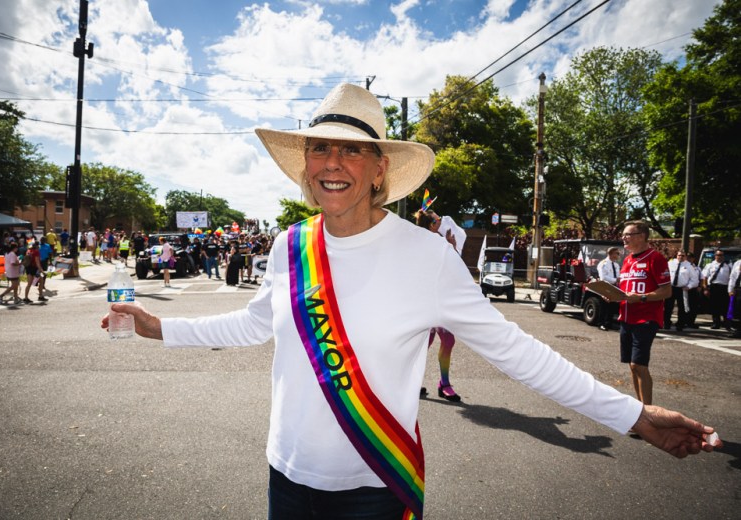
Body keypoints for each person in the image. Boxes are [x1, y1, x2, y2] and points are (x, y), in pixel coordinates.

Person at [102, 84, 720, 519]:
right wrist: (159, 327)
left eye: (352, 149)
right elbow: (257, 323)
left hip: (376, 487)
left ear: (380, 170)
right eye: (320, 147)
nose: (333, 162)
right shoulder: (287, 245)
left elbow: (519, 352)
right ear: (305, 168)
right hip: (285, 478)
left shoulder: (428, 257)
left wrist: (631, 415)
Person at [617, 221, 671, 406]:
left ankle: (648, 412)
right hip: (625, 318)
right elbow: (624, 290)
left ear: (641, 236)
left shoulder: (655, 258)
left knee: (638, 365)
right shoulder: (627, 260)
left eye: (628, 234)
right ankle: (639, 410)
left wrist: (641, 297)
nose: (624, 238)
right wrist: (614, 296)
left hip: (645, 319)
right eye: (623, 234)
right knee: (633, 367)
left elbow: (666, 291)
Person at [414, 207, 462, 402]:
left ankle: (444, 383)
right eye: (438, 220)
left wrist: (451, 246)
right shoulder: (418, 243)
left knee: (447, 341)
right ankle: (413, 381)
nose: (441, 222)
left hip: (441, 300)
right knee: (423, 344)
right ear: (431, 225)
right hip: (425, 301)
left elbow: (455, 267)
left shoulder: (441, 242)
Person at [702, 250, 732, 330]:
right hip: (714, 287)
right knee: (715, 306)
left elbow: (731, 278)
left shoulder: (728, 266)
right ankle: (716, 323)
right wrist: (705, 288)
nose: (720, 256)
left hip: (725, 287)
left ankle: (727, 324)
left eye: (721, 255)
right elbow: (705, 277)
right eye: (718, 255)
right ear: (715, 256)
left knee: (725, 306)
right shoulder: (710, 265)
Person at [664, 250, 690, 331]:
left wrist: (689, 286)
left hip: (682, 289)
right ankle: (666, 323)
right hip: (671, 287)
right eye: (679, 255)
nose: (681, 257)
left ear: (685, 257)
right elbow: (665, 274)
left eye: (682, 255)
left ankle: (680, 324)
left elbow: (694, 279)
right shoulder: (670, 263)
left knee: (682, 308)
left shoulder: (688, 265)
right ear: (676, 256)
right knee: (668, 306)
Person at [597, 246, 621, 331]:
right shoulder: (603, 263)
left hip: (614, 286)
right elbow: (603, 277)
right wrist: (615, 280)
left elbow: (618, 276)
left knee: (612, 306)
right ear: (611, 253)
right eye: (617, 253)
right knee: (604, 306)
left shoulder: (616, 265)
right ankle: (601, 323)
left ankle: (609, 323)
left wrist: (619, 280)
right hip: (606, 286)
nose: (618, 255)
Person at [685, 252, 703, 328]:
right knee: (685, 306)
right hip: (685, 289)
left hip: (694, 289)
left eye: (690, 257)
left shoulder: (697, 268)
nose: (689, 259)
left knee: (694, 307)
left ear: (693, 259)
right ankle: (683, 322)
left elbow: (701, 278)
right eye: (687, 257)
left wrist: (700, 287)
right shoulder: (683, 267)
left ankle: (691, 322)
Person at [728, 259, 741, 337]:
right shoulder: (737, 263)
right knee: (738, 310)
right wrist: (730, 290)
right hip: (738, 289)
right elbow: (732, 277)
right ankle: (738, 331)